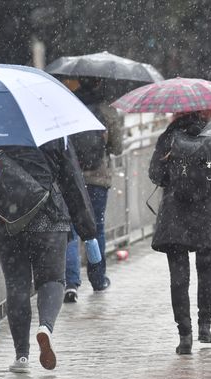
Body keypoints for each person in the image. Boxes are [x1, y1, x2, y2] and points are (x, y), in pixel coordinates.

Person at [0, 140, 97, 374]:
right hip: (48, 213)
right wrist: (88, 230)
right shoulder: (49, 129)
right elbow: (72, 181)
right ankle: (45, 327)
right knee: (53, 279)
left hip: (6, 220)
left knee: (17, 285)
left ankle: (21, 356)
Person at [148, 110, 211, 355]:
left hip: (175, 212)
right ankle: (205, 325)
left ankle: (185, 335)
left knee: (178, 276)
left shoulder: (168, 137)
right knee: (206, 265)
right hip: (206, 210)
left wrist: (170, 163)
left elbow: (155, 176)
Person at [64, 78, 124, 302]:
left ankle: (70, 283)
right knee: (95, 228)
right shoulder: (106, 111)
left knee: (70, 229)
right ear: (100, 83)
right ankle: (98, 279)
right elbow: (117, 148)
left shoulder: (68, 106)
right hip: (97, 179)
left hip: (72, 178)